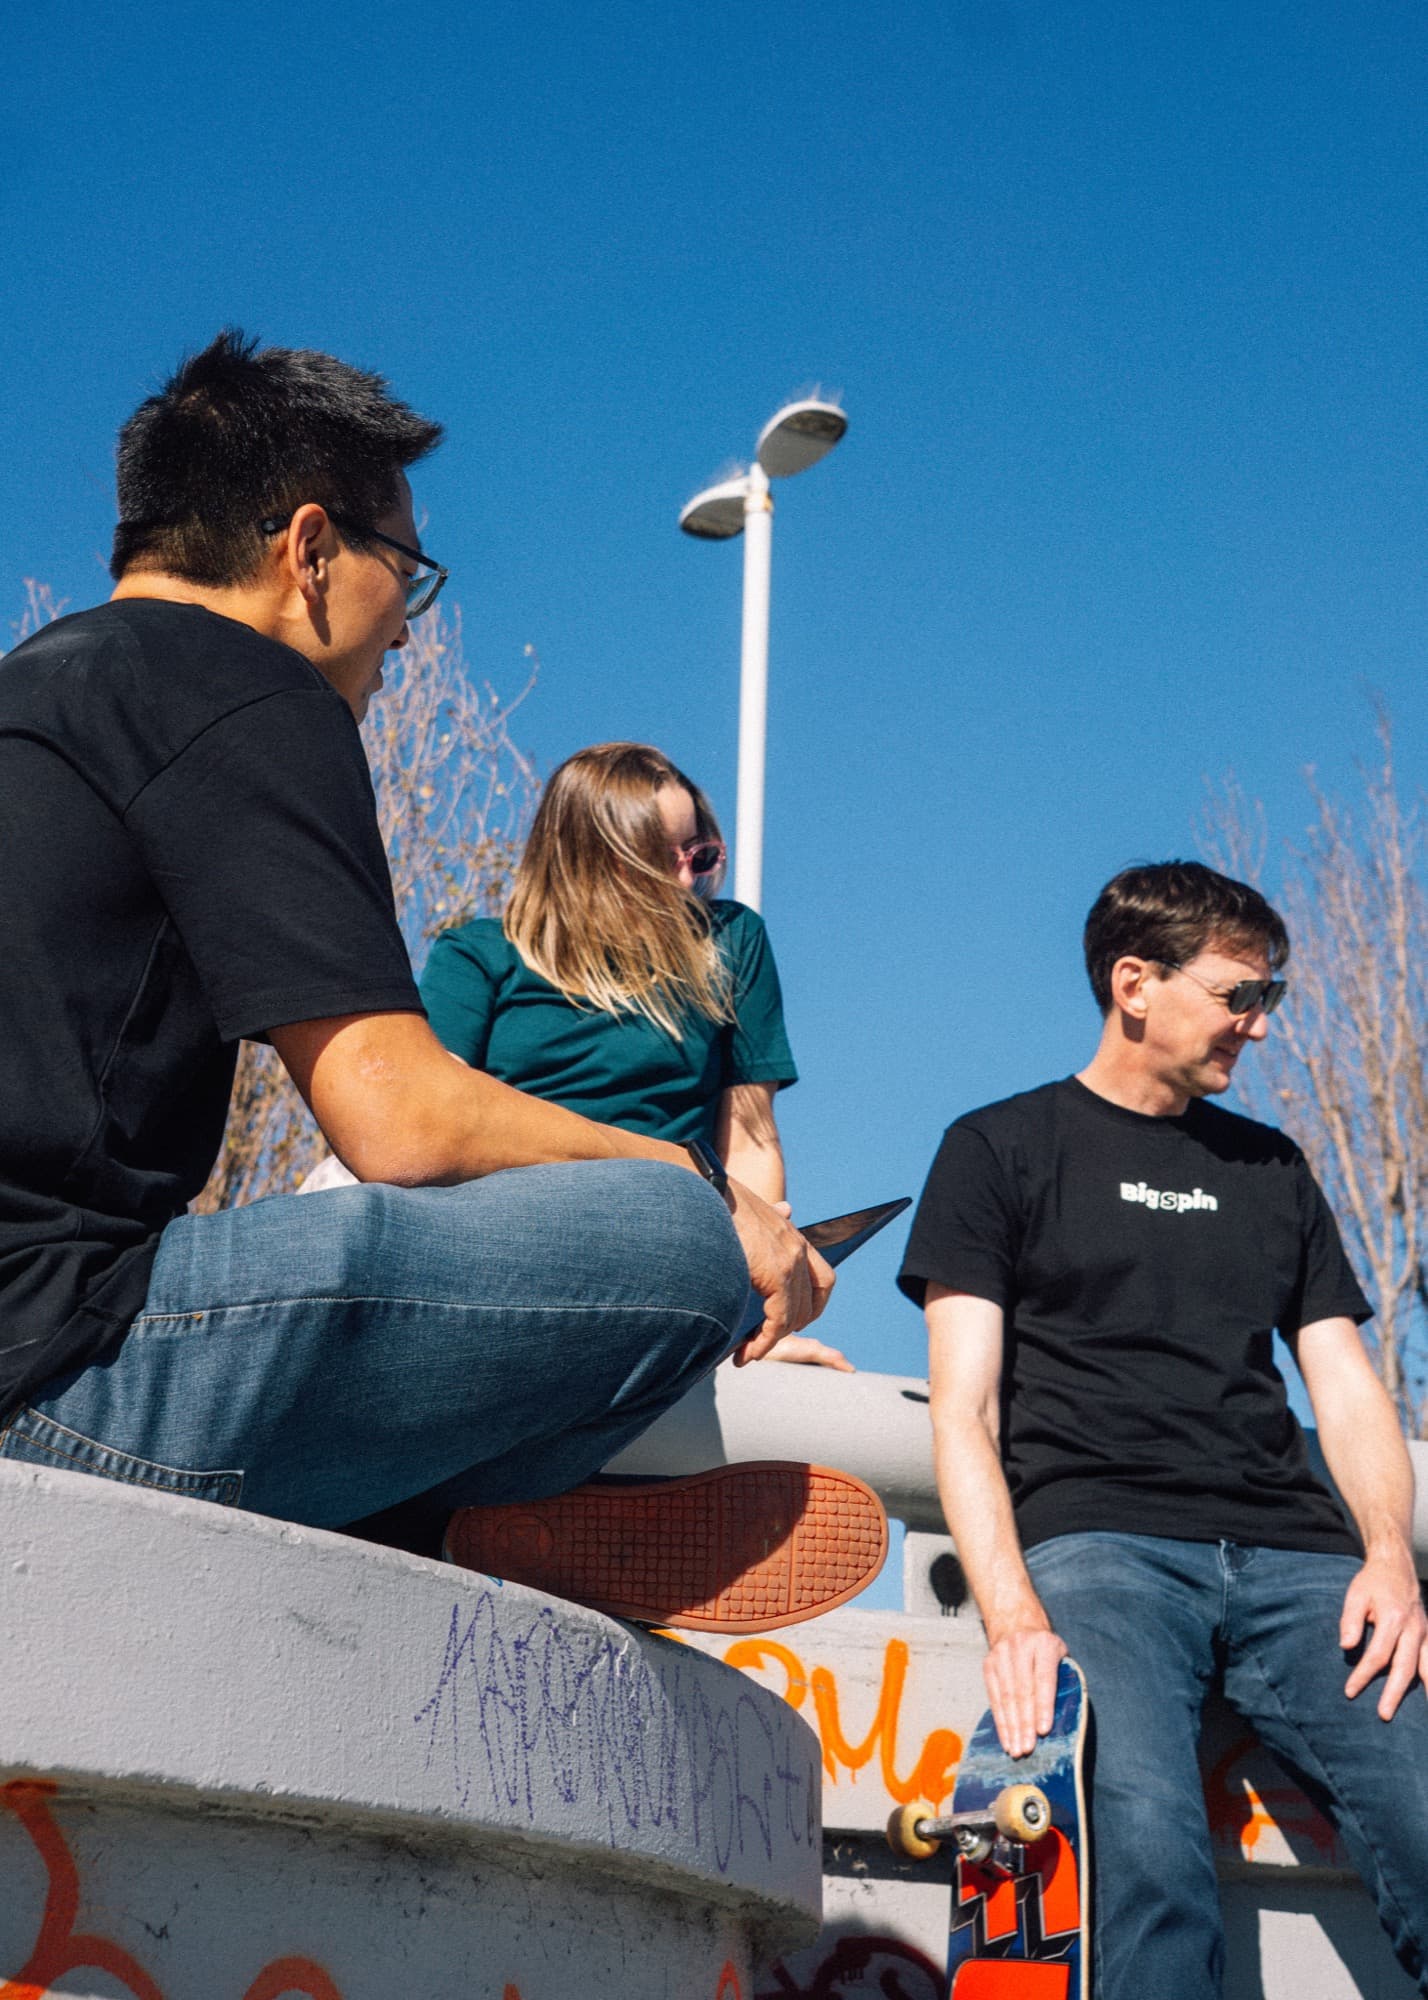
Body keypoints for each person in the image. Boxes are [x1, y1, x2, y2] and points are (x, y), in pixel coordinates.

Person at [0, 329, 883, 1635]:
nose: (409, 627)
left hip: (50, 1355)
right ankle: (438, 1518)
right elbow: (396, 1117)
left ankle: (452, 1521)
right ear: (310, 549)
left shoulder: (40, 693)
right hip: (66, 1379)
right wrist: (697, 1189)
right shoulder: (243, 686)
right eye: (406, 572)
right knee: (673, 1248)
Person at [898, 861, 1428, 1996]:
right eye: (1243, 994)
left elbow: (1344, 1385)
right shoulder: (1000, 1148)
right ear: (1134, 982)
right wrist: (1012, 1613)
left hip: (1303, 1563)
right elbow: (965, 1409)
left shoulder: (1272, 1169)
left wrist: (1389, 1553)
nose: (1260, 1024)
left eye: (1268, 996)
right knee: (1146, 1851)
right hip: (1103, 1548)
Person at [310, 739, 849, 1369]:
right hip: (505, 1245)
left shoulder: (730, 941)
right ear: (584, 864)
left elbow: (752, 1143)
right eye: (656, 862)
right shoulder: (480, 955)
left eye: (700, 857)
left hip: (667, 1249)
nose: (684, 880)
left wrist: (755, 1319)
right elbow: (427, 1121)